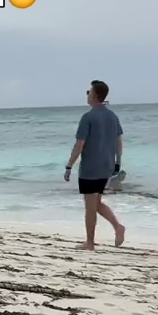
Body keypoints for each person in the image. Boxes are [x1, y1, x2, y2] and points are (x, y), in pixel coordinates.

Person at [64, 80, 125, 250]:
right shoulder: (112, 116)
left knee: (90, 207)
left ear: (95, 96)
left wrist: (69, 166)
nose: (87, 95)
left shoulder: (88, 117)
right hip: (107, 168)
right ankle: (118, 227)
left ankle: (90, 243)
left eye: (88, 92)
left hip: (90, 169)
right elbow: (118, 142)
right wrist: (117, 164)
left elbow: (79, 145)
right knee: (96, 204)